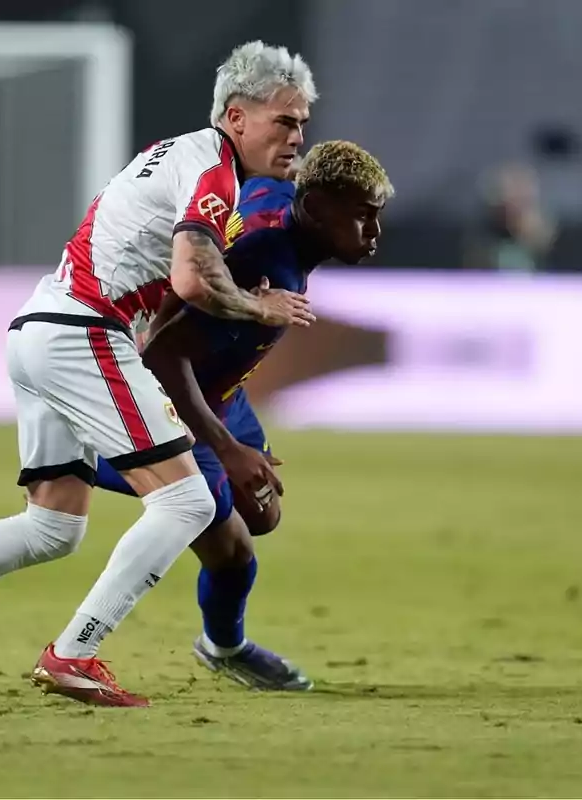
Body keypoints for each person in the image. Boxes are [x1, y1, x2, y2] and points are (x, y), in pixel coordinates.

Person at [0, 41, 318, 708]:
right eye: (284, 121)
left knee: (51, 528)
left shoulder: (174, 153)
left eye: (302, 124)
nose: (297, 138)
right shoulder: (212, 172)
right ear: (236, 116)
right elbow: (189, 276)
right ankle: (74, 654)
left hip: (41, 326)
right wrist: (255, 302)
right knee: (187, 500)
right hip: (84, 332)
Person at [95, 140, 393, 691]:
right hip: (173, 406)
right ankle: (224, 646)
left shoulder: (277, 193)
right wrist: (227, 450)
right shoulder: (268, 268)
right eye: (362, 218)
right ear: (318, 209)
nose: (374, 233)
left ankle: (109, 459)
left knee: (263, 514)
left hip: (221, 397)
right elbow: (163, 356)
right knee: (233, 549)